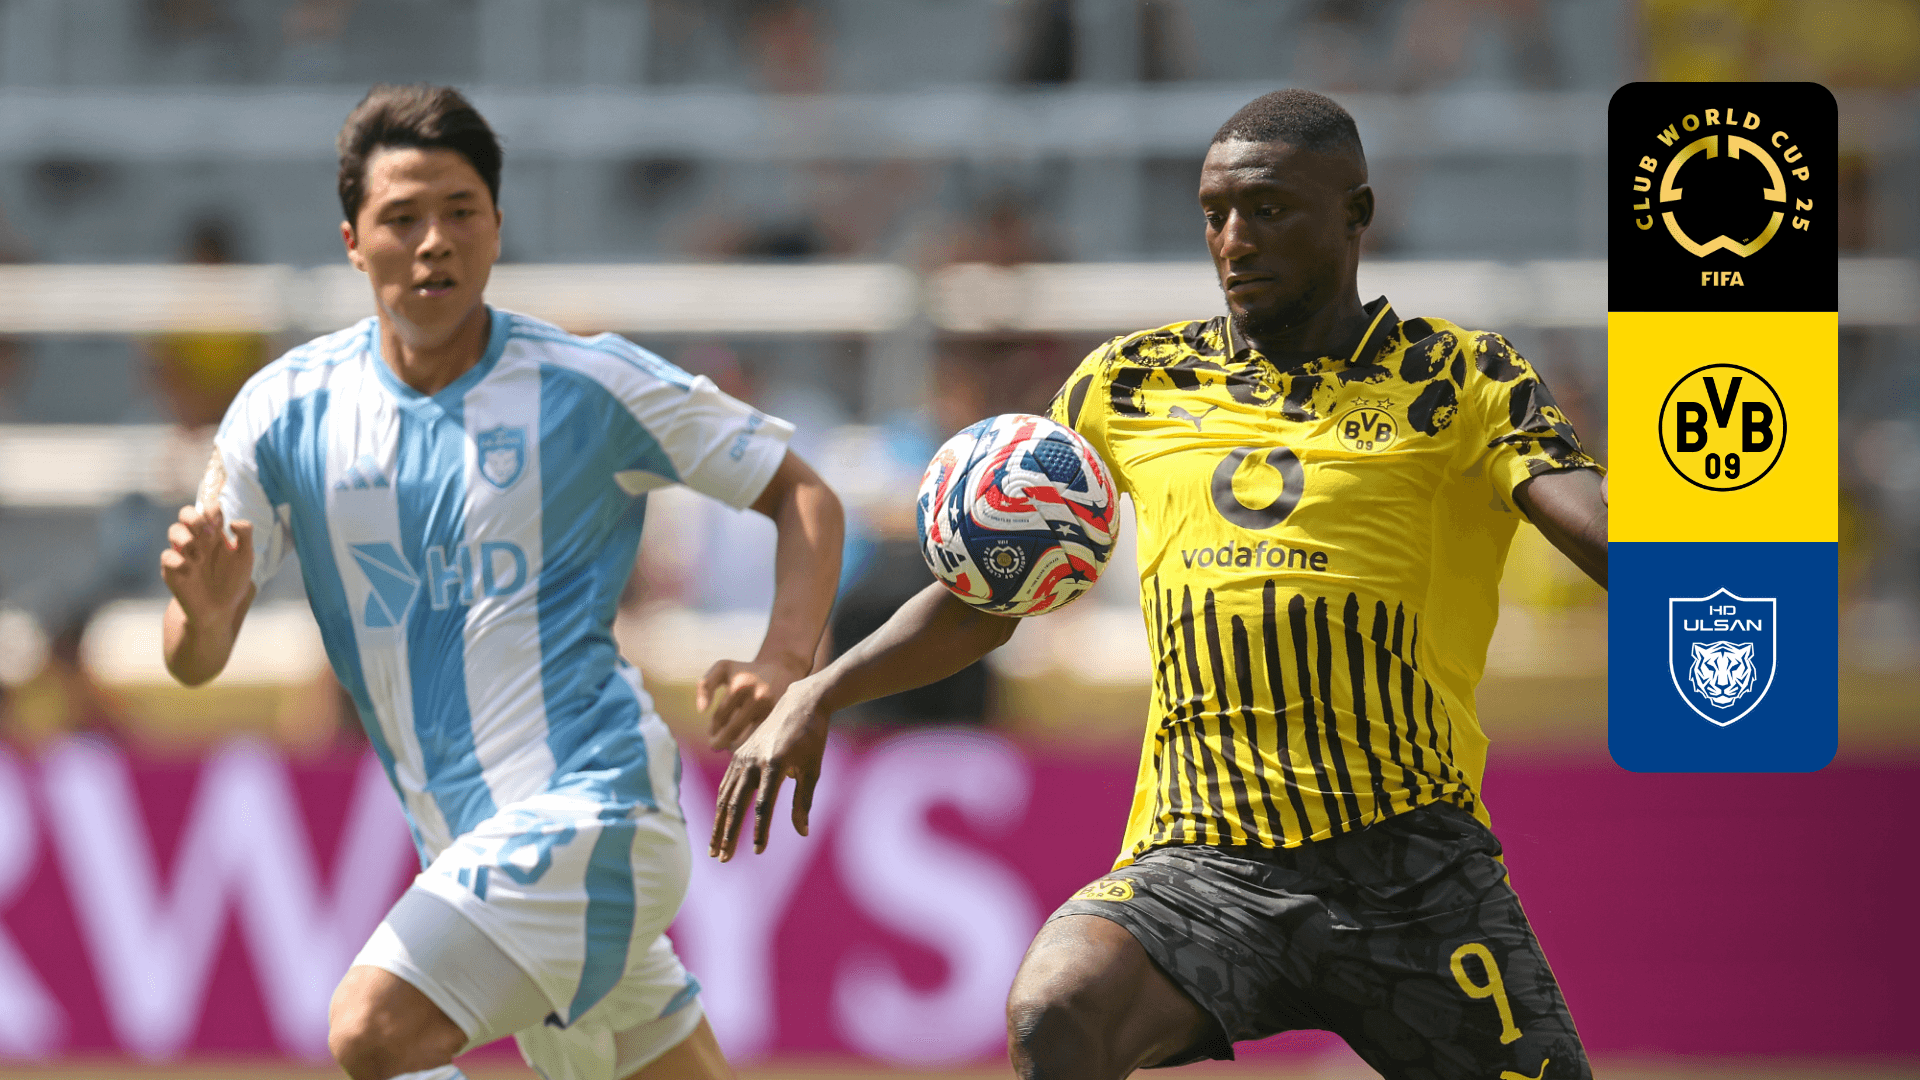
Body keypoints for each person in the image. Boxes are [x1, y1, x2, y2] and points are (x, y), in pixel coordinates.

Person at [710, 89, 1605, 1080]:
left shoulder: (1461, 378)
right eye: (1215, 213)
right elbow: (989, 597)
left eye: (1269, 209)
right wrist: (819, 691)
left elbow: (1598, 526)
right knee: (1058, 1006)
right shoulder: (1132, 381)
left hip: (1414, 872)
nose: (1235, 239)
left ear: (1356, 213)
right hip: (1201, 861)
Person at [159, 84, 843, 1080]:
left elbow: (803, 494)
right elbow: (191, 661)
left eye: (460, 212)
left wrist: (785, 661)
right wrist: (208, 613)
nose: (433, 241)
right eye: (402, 218)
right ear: (352, 241)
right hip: (475, 850)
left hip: (596, 811)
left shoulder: (585, 384)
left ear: (496, 227)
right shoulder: (283, 413)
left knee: (371, 1030)